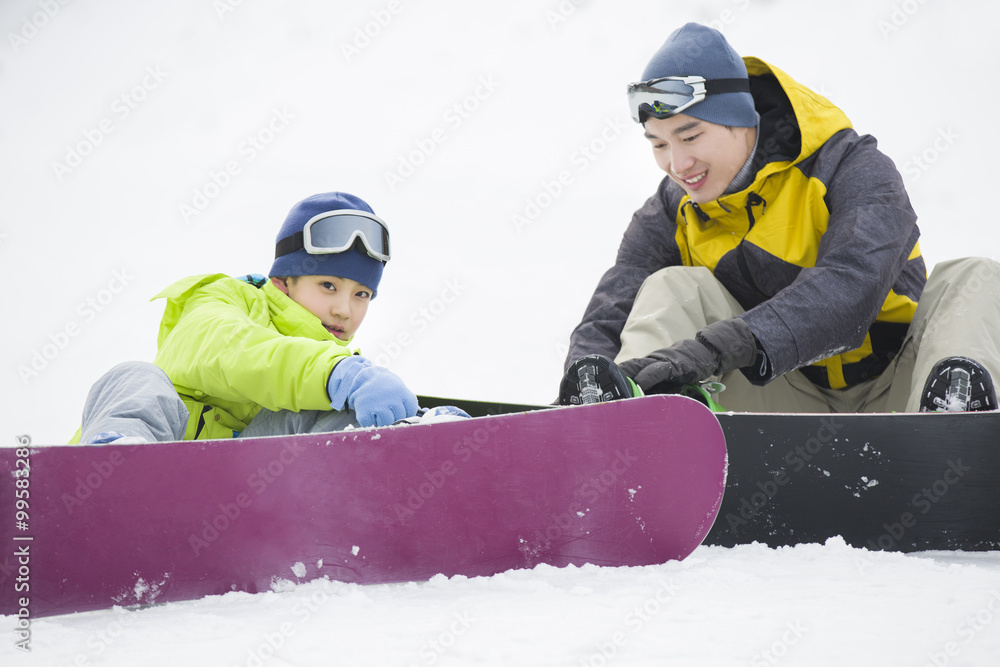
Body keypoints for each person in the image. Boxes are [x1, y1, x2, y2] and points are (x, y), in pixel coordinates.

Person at [559, 23, 999, 413]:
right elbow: (610, 313)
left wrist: (719, 347)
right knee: (671, 287)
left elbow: (851, 290)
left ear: (742, 120)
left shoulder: (849, 168)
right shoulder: (671, 211)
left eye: (690, 135)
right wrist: (584, 376)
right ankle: (612, 425)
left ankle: (953, 425)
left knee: (976, 276)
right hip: (785, 403)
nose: (677, 162)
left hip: (899, 391)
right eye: (657, 144)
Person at [71, 191, 427, 445]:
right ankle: (116, 474)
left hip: (243, 506)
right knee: (134, 377)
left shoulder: (343, 380)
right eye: (328, 285)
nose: (344, 310)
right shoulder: (223, 298)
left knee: (348, 418)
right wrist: (336, 372)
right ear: (283, 281)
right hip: (165, 468)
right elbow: (228, 350)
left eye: (361, 294)